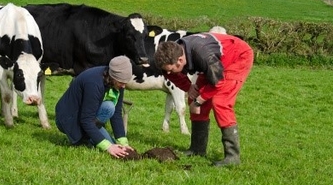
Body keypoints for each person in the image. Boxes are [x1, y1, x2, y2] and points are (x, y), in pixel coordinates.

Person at [154, 32, 254, 166]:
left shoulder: (202, 54)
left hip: (237, 57)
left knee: (220, 102)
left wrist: (199, 100)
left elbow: (218, 82)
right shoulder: (169, 55)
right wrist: (189, 88)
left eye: (171, 70)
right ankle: (197, 149)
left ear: (180, 61)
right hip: (213, 65)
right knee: (193, 98)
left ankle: (232, 157)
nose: (168, 74)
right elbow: (173, 76)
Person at [55, 55, 134, 159]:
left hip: (86, 116)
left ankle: (89, 136)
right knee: (108, 145)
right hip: (67, 119)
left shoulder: (116, 81)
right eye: (121, 83)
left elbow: (117, 113)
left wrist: (123, 142)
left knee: (110, 109)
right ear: (113, 76)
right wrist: (108, 147)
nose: (123, 86)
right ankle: (80, 138)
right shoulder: (94, 83)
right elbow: (86, 119)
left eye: (125, 83)